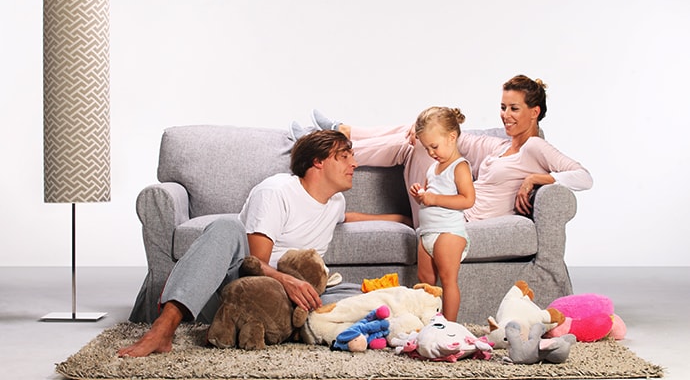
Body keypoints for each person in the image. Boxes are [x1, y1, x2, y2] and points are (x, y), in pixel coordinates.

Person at [117, 130, 410, 357]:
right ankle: (162, 330)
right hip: (240, 289)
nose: (354, 164)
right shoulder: (276, 192)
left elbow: (347, 216)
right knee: (226, 227)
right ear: (318, 162)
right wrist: (288, 282)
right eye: (344, 156)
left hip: (287, 302)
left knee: (371, 296)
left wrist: (405, 218)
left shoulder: (335, 201)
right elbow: (254, 264)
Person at [290, 74, 593, 228]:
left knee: (414, 143)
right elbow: (450, 134)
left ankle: (331, 143)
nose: (506, 115)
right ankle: (341, 133)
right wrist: (421, 126)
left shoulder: (535, 147)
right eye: (503, 107)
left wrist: (539, 179)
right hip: (439, 208)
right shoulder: (499, 146)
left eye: (514, 108)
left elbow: (583, 176)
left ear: (534, 112)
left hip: (457, 218)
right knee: (420, 134)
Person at [408, 106, 475, 321]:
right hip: (427, 232)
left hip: (449, 232)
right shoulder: (432, 168)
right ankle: (428, 322)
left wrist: (433, 198)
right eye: (426, 148)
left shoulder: (459, 166)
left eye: (434, 146)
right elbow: (430, 196)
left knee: (448, 280)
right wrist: (422, 194)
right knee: (425, 280)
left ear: (452, 137)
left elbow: (467, 199)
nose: (431, 153)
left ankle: (449, 326)